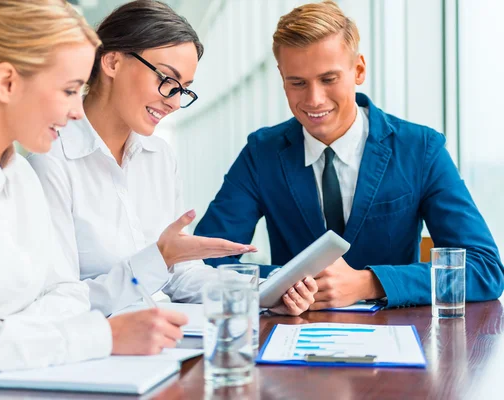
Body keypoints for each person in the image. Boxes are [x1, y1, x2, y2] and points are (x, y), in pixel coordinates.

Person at [0, 0, 187, 386]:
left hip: (20, 381)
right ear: (6, 83)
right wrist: (95, 337)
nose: (77, 112)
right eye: (69, 90)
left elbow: (67, 294)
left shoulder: (19, 176)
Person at [195, 0, 504, 310]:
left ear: (358, 70)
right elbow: (204, 262)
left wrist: (367, 283)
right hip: (295, 333)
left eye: (328, 79)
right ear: (282, 77)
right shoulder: (262, 153)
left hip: (397, 334)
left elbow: (484, 269)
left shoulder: (420, 149)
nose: (314, 99)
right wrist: (287, 282)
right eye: (297, 83)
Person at [28, 0, 312, 317]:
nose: (175, 102)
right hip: (97, 346)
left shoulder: (159, 156)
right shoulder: (51, 159)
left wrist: (263, 294)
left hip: (156, 340)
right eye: (166, 80)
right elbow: (58, 301)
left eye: (184, 89)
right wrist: (158, 257)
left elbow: (183, 276)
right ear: (112, 62)